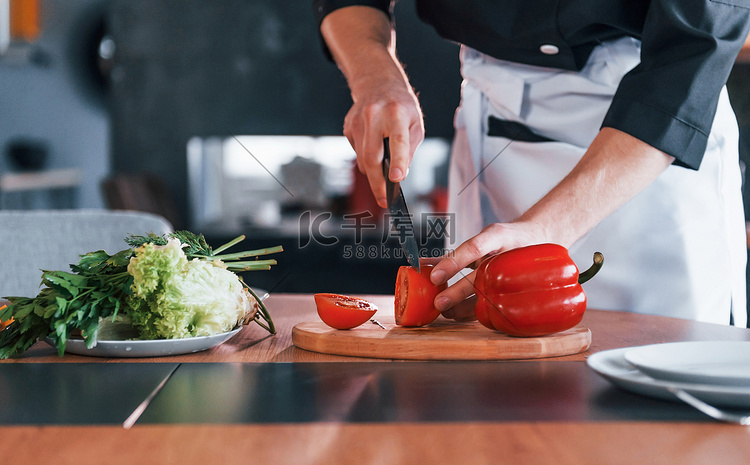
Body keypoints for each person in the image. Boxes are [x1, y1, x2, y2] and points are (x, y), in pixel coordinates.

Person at [313, 0, 750, 326]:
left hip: (649, 140)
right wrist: (373, 73)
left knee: (671, 423)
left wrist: (547, 229)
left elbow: (695, 49)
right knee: (493, 412)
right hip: (491, 111)